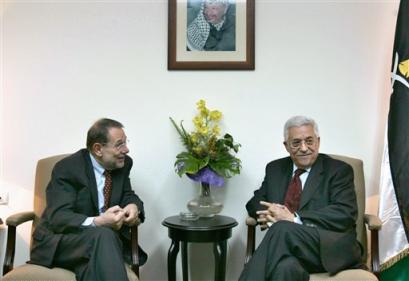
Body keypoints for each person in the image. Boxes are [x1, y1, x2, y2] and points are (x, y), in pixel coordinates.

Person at [239, 116, 364, 281]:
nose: (304, 148)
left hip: (330, 247)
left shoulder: (338, 170)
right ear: (286, 146)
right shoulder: (275, 169)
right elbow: (255, 202)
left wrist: (293, 218)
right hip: (290, 251)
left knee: (282, 227)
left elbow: (344, 213)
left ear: (318, 142)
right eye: (296, 143)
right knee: (285, 268)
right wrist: (271, 215)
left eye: (309, 141)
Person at [29, 118, 147, 281]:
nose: (126, 150)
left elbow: (127, 194)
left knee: (94, 267)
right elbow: (59, 217)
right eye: (119, 144)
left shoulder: (123, 164)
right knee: (104, 235)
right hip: (62, 241)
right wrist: (98, 221)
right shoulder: (68, 169)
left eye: (126, 142)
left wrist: (133, 206)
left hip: (99, 246)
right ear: (98, 149)